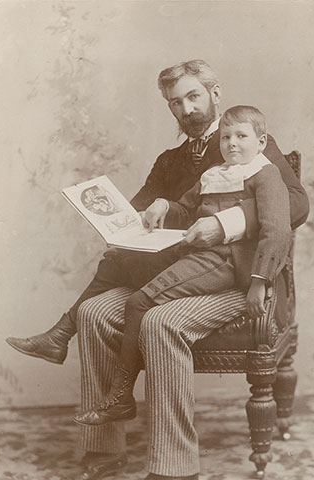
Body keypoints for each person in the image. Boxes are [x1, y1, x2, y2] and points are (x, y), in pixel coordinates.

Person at [6, 60, 309, 480]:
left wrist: (225, 225)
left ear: (215, 95)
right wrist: (128, 222)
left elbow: (295, 205)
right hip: (174, 272)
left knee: (160, 322)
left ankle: (175, 466)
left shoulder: (252, 145)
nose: (186, 109)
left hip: (235, 275)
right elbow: (145, 208)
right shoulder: (172, 161)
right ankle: (103, 451)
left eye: (193, 97)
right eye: (175, 103)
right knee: (94, 312)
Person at [73, 105, 291, 429]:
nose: (232, 143)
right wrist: (162, 205)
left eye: (241, 136)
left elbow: (278, 231)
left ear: (261, 142)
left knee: (139, 303)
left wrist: (260, 282)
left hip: (229, 262)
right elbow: (185, 210)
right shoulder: (213, 174)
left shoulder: (265, 173)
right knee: (127, 295)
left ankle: (120, 398)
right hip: (200, 258)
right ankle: (119, 400)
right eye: (226, 137)